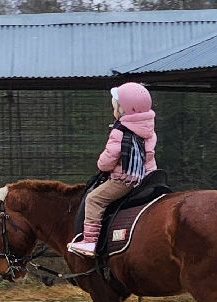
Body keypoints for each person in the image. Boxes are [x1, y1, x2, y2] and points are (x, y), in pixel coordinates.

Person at [68, 82, 158, 258]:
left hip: (124, 180)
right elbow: (149, 155)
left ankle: (90, 242)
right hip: (146, 178)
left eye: (115, 107)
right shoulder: (148, 131)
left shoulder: (120, 132)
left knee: (94, 199)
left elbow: (107, 162)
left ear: (124, 110)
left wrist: (101, 163)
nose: (114, 111)